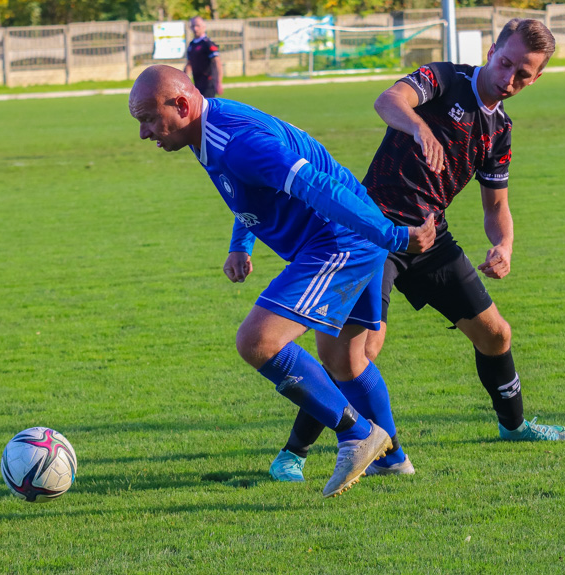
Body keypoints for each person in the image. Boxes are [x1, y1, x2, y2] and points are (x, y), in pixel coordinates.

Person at [268, 18, 565, 483]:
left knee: (496, 335)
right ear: (492, 50)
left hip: (431, 238)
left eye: (523, 74)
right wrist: (419, 128)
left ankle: (513, 426)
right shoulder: (445, 78)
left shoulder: (500, 130)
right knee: (357, 352)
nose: (509, 78)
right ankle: (294, 452)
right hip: (376, 233)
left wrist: (504, 245)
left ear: (537, 78)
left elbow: (496, 206)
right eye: (506, 62)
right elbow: (388, 99)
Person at [128, 65, 436, 497]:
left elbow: (315, 184)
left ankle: (356, 434)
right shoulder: (207, 125)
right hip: (351, 236)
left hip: (339, 239)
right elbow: (248, 190)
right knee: (345, 358)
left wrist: (393, 235)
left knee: (257, 341)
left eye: (146, 118)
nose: (144, 133)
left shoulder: (237, 143)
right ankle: (392, 459)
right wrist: (242, 243)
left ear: (181, 104)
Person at [185, 16, 224, 98]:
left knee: (206, 108)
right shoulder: (192, 44)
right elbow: (189, 64)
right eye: (193, 26)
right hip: (197, 83)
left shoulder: (208, 44)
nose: (195, 29)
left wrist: (219, 82)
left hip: (208, 83)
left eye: (198, 26)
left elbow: (217, 62)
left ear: (204, 27)